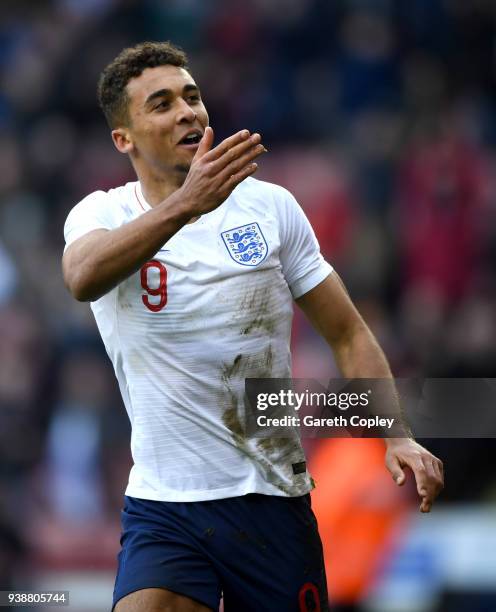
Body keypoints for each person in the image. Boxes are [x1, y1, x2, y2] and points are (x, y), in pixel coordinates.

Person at [62, 41, 444, 612]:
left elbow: (346, 332)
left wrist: (396, 433)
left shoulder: (269, 207)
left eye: (192, 96)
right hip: (165, 505)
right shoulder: (102, 215)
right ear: (125, 138)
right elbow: (83, 277)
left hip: (270, 498)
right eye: (161, 104)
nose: (188, 111)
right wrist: (185, 206)